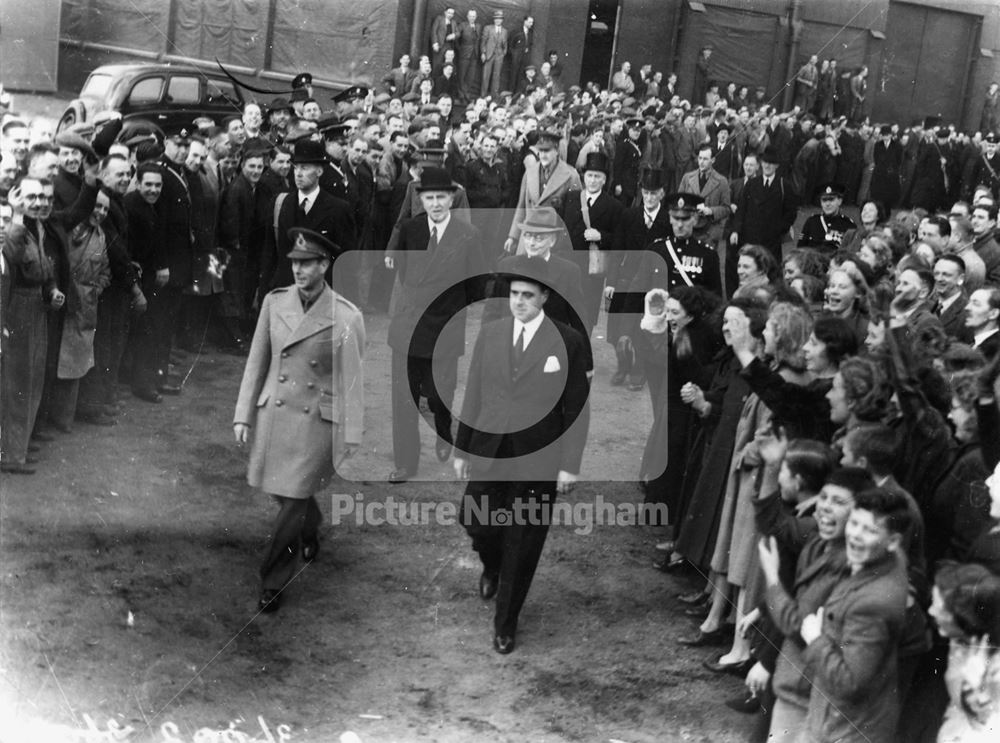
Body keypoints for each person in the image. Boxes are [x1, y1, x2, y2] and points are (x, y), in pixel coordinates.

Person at [454, 255, 589, 654]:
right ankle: (491, 565)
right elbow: (475, 391)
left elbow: (577, 410)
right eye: (514, 294)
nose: (519, 302)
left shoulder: (568, 341)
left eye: (528, 295)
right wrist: (463, 448)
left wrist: (569, 466)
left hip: (539, 459)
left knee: (524, 541)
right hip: (490, 451)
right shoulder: (492, 334)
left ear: (544, 297)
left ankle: (506, 622)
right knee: (475, 519)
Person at [234, 228, 364, 613]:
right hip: (275, 413)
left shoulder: (346, 316)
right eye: (294, 262)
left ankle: (272, 581)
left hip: (314, 422)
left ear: (324, 265)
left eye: (307, 263)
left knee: (290, 499)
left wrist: (351, 432)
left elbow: (352, 379)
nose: (298, 269)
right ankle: (311, 520)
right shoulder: (275, 304)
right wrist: (243, 414)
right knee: (286, 493)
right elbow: (257, 360)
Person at [384, 166, 483, 483]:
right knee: (403, 399)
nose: (436, 203)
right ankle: (405, 462)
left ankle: (443, 430)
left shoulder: (468, 235)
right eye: (430, 198)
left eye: (442, 197)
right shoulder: (410, 230)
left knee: (441, 397)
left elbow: (477, 285)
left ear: (452, 199)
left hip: (446, 326)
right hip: (408, 326)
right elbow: (402, 272)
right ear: (421, 199)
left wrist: (451, 305)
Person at [563, 151, 623, 333]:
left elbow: (619, 242)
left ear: (604, 180)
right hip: (568, 266)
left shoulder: (614, 206)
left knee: (586, 318)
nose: (592, 180)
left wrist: (601, 236)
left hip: (592, 271)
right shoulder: (571, 198)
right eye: (589, 175)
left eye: (598, 176)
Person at [505, 129, 581, 254]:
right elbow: (521, 207)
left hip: (554, 239)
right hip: (529, 236)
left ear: (556, 151)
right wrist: (513, 236)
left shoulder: (571, 175)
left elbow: (575, 214)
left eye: (547, 151)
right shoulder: (530, 172)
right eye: (541, 151)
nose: (543, 155)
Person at [731, 146, 798, 267]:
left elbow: (791, 212)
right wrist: (736, 230)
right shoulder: (752, 184)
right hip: (751, 237)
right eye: (765, 162)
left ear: (777, 166)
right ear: (761, 164)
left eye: (771, 163)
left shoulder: (784, 186)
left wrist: (780, 229)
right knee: (751, 268)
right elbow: (741, 209)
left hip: (772, 240)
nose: (767, 166)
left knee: (770, 270)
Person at [480, 10, 508, 99]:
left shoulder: (505, 31)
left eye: (499, 19)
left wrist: (504, 53)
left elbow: (505, 44)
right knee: (486, 76)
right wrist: (483, 53)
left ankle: (494, 96)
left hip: (499, 56)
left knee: (496, 76)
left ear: (502, 20)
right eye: (496, 19)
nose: (498, 20)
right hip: (489, 55)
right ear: (494, 20)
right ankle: (483, 95)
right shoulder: (488, 28)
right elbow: (483, 42)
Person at [457, 9, 481, 102]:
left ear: (476, 17)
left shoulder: (478, 26)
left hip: (474, 54)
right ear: (467, 16)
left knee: (470, 76)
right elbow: (457, 36)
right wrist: (460, 49)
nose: (472, 18)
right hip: (464, 54)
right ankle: (461, 94)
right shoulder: (462, 25)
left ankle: (467, 94)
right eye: (470, 16)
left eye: (474, 16)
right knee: (462, 75)